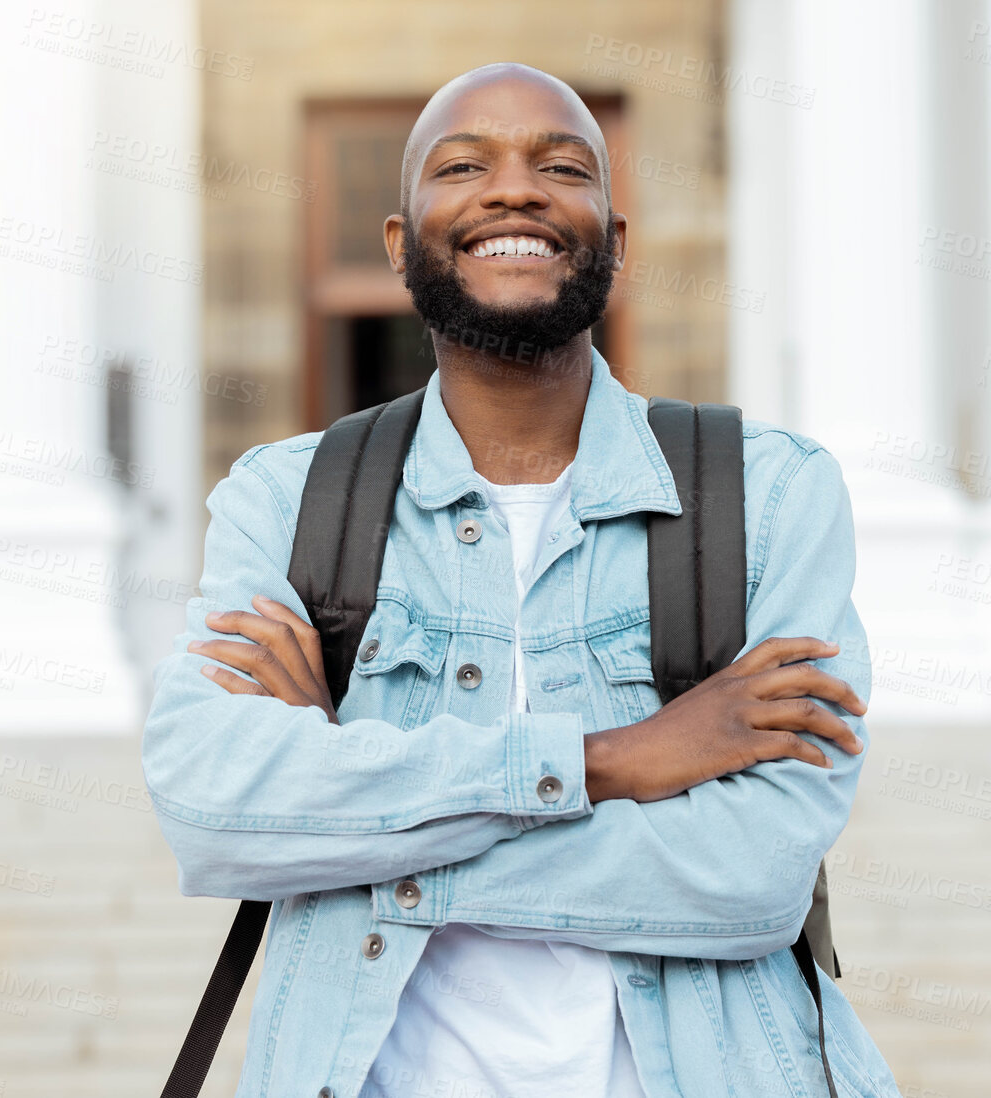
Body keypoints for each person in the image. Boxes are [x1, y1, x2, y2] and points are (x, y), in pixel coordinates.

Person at [142, 62, 901, 1098]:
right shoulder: (286, 501)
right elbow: (213, 806)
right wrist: (610, 761)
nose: (514, 190)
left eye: (562, 165)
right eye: (463, 165)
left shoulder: (766, 496)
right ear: (401, 245)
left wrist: (348, 830)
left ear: (613, 240)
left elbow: (753, 879)